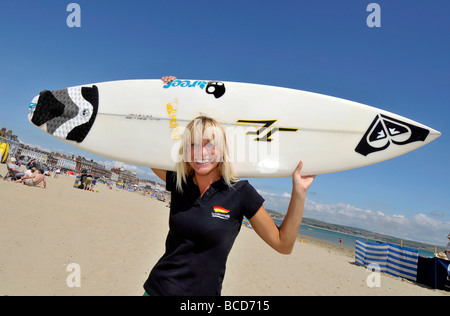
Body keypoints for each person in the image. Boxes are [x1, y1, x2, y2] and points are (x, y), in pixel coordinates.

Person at [143, 77, 316, 296]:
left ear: (222, 149)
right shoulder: (180, 181)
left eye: (210, 145)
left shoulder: (240, 192)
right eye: (193, 144)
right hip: (158, 290)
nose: (201, 152)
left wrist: (299, 192)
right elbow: (146, 148)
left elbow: (283, 245)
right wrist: (173, 94)